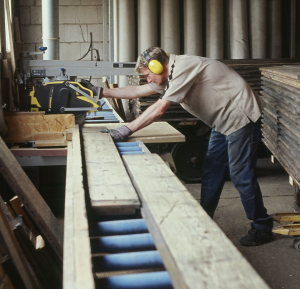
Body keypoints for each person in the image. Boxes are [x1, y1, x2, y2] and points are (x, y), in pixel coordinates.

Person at [100, 47, 274, 246]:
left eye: (148, 75)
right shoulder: (170, 75)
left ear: (157, 67)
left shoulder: (184, 67)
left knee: (240, 175)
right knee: (211, 170)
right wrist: (101, 91)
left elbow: (159, 109)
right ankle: (204, 218)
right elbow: (137, 91)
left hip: (240, 116)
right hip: (223, 121)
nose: (148, 80)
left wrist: (126, 130)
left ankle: (262, 227)